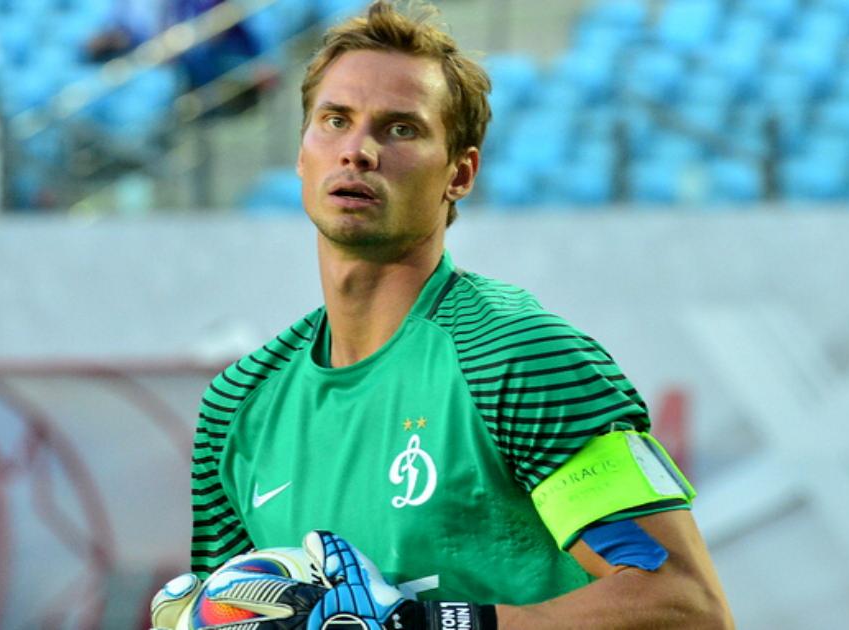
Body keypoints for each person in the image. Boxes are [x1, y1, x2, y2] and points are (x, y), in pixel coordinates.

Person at [181, 2, 733, 628]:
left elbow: (686, 604)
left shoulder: (521, 358)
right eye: (335, 121)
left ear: (460, 174)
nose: (357, 151)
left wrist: (428, 624)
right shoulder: (235, 404)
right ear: (302, 154)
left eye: (400, 129)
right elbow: (228, 609)